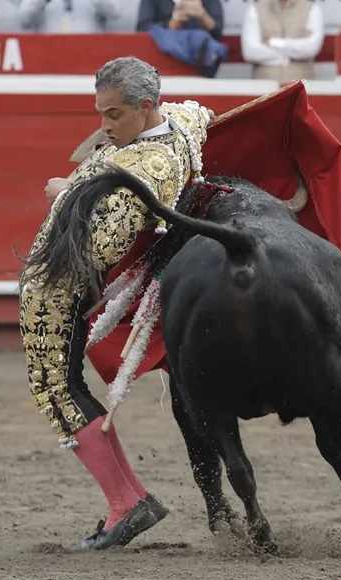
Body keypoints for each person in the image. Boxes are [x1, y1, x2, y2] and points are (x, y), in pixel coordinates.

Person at [18, 56, 212, 551]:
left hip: (59, 291)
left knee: (56, 388)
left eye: (114, 114)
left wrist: (64, 196)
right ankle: (129, 499)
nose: (103, 126)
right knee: (63, 388)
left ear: (146, 107)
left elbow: (97, 249)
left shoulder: (146, 168)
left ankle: (126, 503)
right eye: (101, 112)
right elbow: (202, 113)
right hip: (65, 284)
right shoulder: (179, 123)